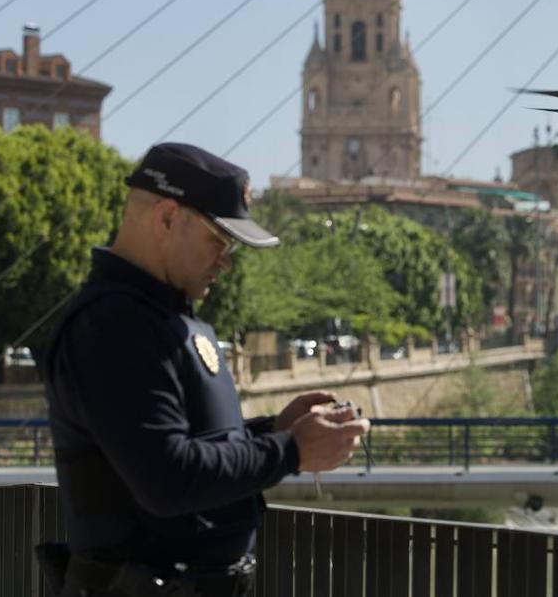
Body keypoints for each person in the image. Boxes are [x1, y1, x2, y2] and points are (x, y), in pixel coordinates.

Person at [38, 143, 369, 597]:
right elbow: (167, 478)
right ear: (168, 218)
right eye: (218, 239)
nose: (226, 261)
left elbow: (184, 448)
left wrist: (276, 430)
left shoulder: (157, 317)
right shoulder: (113, 325)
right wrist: (289, 451)